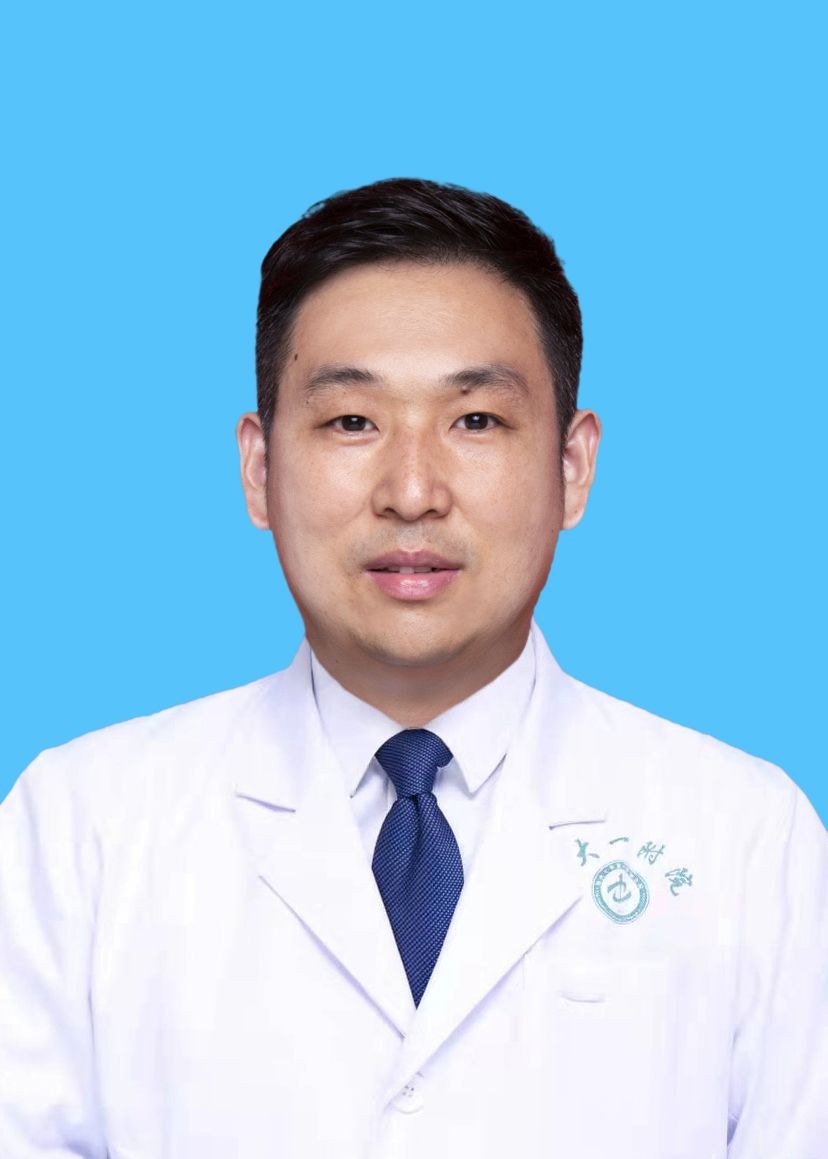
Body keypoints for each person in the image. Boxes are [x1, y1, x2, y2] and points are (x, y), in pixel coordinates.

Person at [0, 177, 825, 1159]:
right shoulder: (80, 829)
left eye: (475, 420)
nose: (412, 490)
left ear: (572, 467)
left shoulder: (747, 839)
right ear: (260, 469)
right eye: (353, 421)